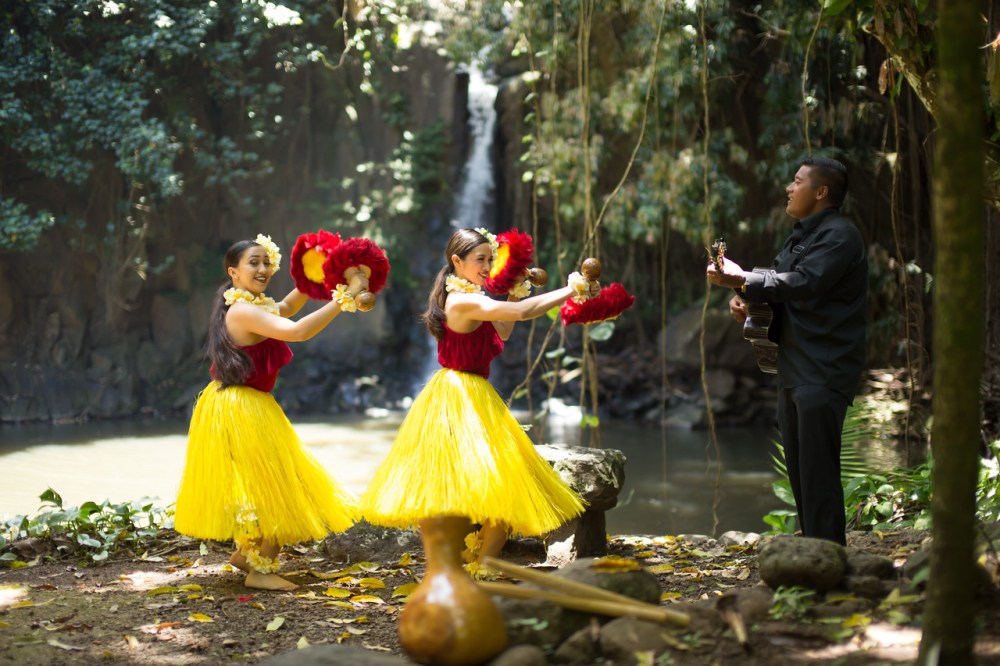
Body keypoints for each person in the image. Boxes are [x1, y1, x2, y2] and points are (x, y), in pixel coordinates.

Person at [360, 228, 590, 563]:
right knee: (463, 481)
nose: (487, 266)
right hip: (456, 397)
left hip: (474, 394)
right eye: (479, 260)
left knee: (505, 479)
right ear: (457, 261)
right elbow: (524, 314)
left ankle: (481, 562)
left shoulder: (473, 298)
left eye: (490, 259)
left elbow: (504, 329)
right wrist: (571, 290)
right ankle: (461, 563)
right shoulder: (462, 300)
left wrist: (514, 292)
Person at [174, 235, 369, 590]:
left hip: (238, 403)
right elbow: (296, 330)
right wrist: (344, 298)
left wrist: (312, 280)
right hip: (242, 407)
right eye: (254, 263)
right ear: (234, 272)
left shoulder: (251, 305)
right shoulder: (245, 311)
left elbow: (289, 308)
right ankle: (260, 571)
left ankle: (247, 555)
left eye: (266, 262)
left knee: (268, 481)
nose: (263, 269)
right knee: (280, 483)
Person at [706, 157, 867, 545]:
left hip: (824, 368)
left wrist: (746, 278)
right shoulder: (799, 237)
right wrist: (744, 297)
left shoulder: (840, 235)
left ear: (821, 191)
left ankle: (828, 556)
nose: (788, 188)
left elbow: (806, 283)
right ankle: (815, 553)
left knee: (818, 472)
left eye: (797, 181)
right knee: (799, 471)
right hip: (793, 366)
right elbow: (781, 290)